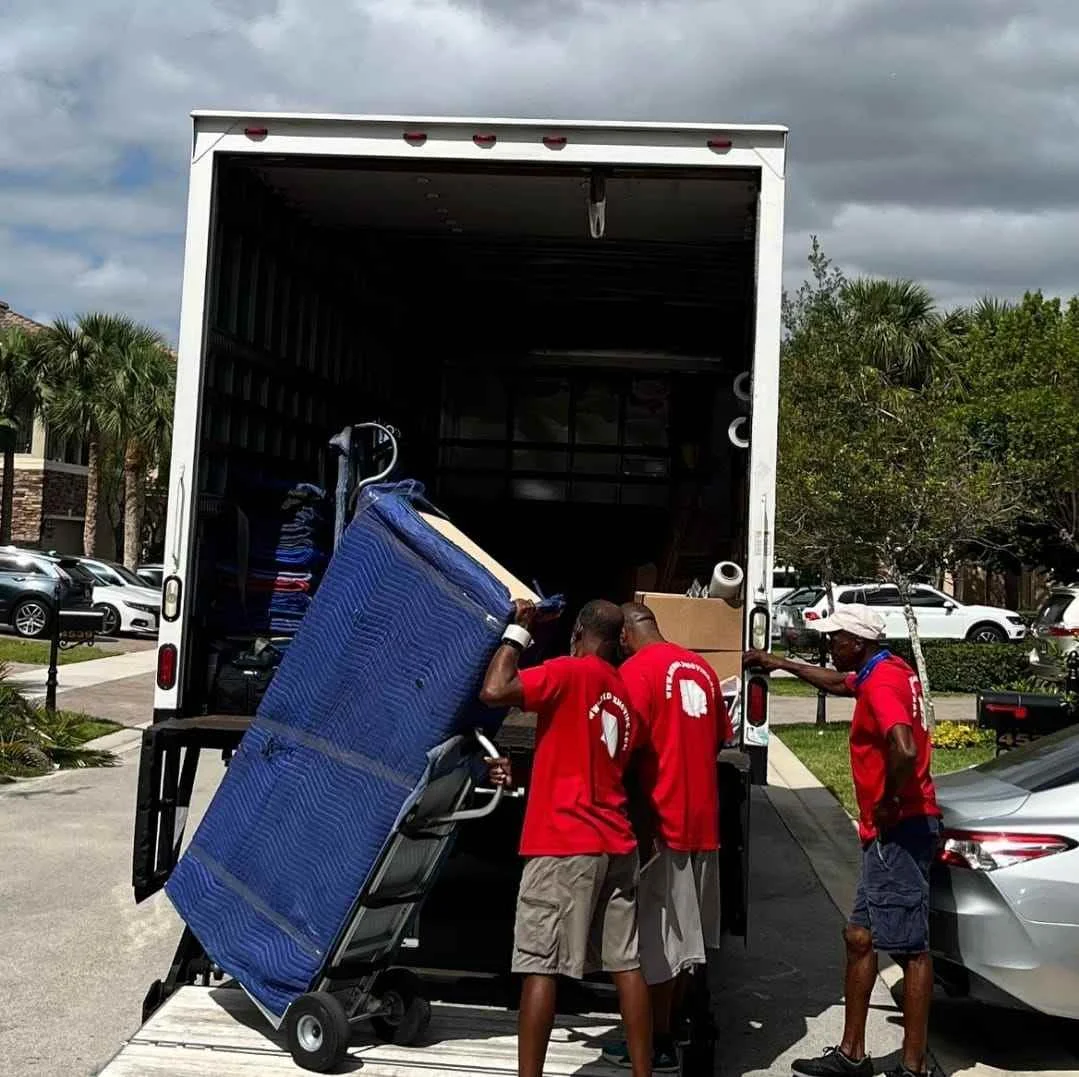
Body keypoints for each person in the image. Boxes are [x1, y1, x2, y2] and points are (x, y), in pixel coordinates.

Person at [744, 604, 941, 1077]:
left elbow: (903, 746)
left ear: (859, 642)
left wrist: (890, 799)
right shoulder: (884, 669)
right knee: (859, 938)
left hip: (901, 829)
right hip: (887, 833)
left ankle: (913, 1066)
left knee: (910, 949)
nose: (830, 645)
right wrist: (779, 663)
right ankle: (852, 1055)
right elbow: (839, 683)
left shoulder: (883, 682)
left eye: (836, 638)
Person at [480, 598, 653, 1077]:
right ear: (619, 640)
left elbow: (494, 690)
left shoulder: (568, 672)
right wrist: (524, 774)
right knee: (626, 964)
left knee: (540, 964)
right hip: (615, 842)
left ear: (578, 632)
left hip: (563, 844)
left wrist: (518, 632)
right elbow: (593, 759)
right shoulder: (624, 694)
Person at [600, 601, 733, 1073]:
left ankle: (655, 1043)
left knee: (656, 945)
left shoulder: (636, 673)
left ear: (624, 637)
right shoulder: (702, 669)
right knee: (682, 946)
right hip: (703, 824)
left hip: (663, 825)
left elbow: (621, 747)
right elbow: (718, 739)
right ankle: (668, 1031)